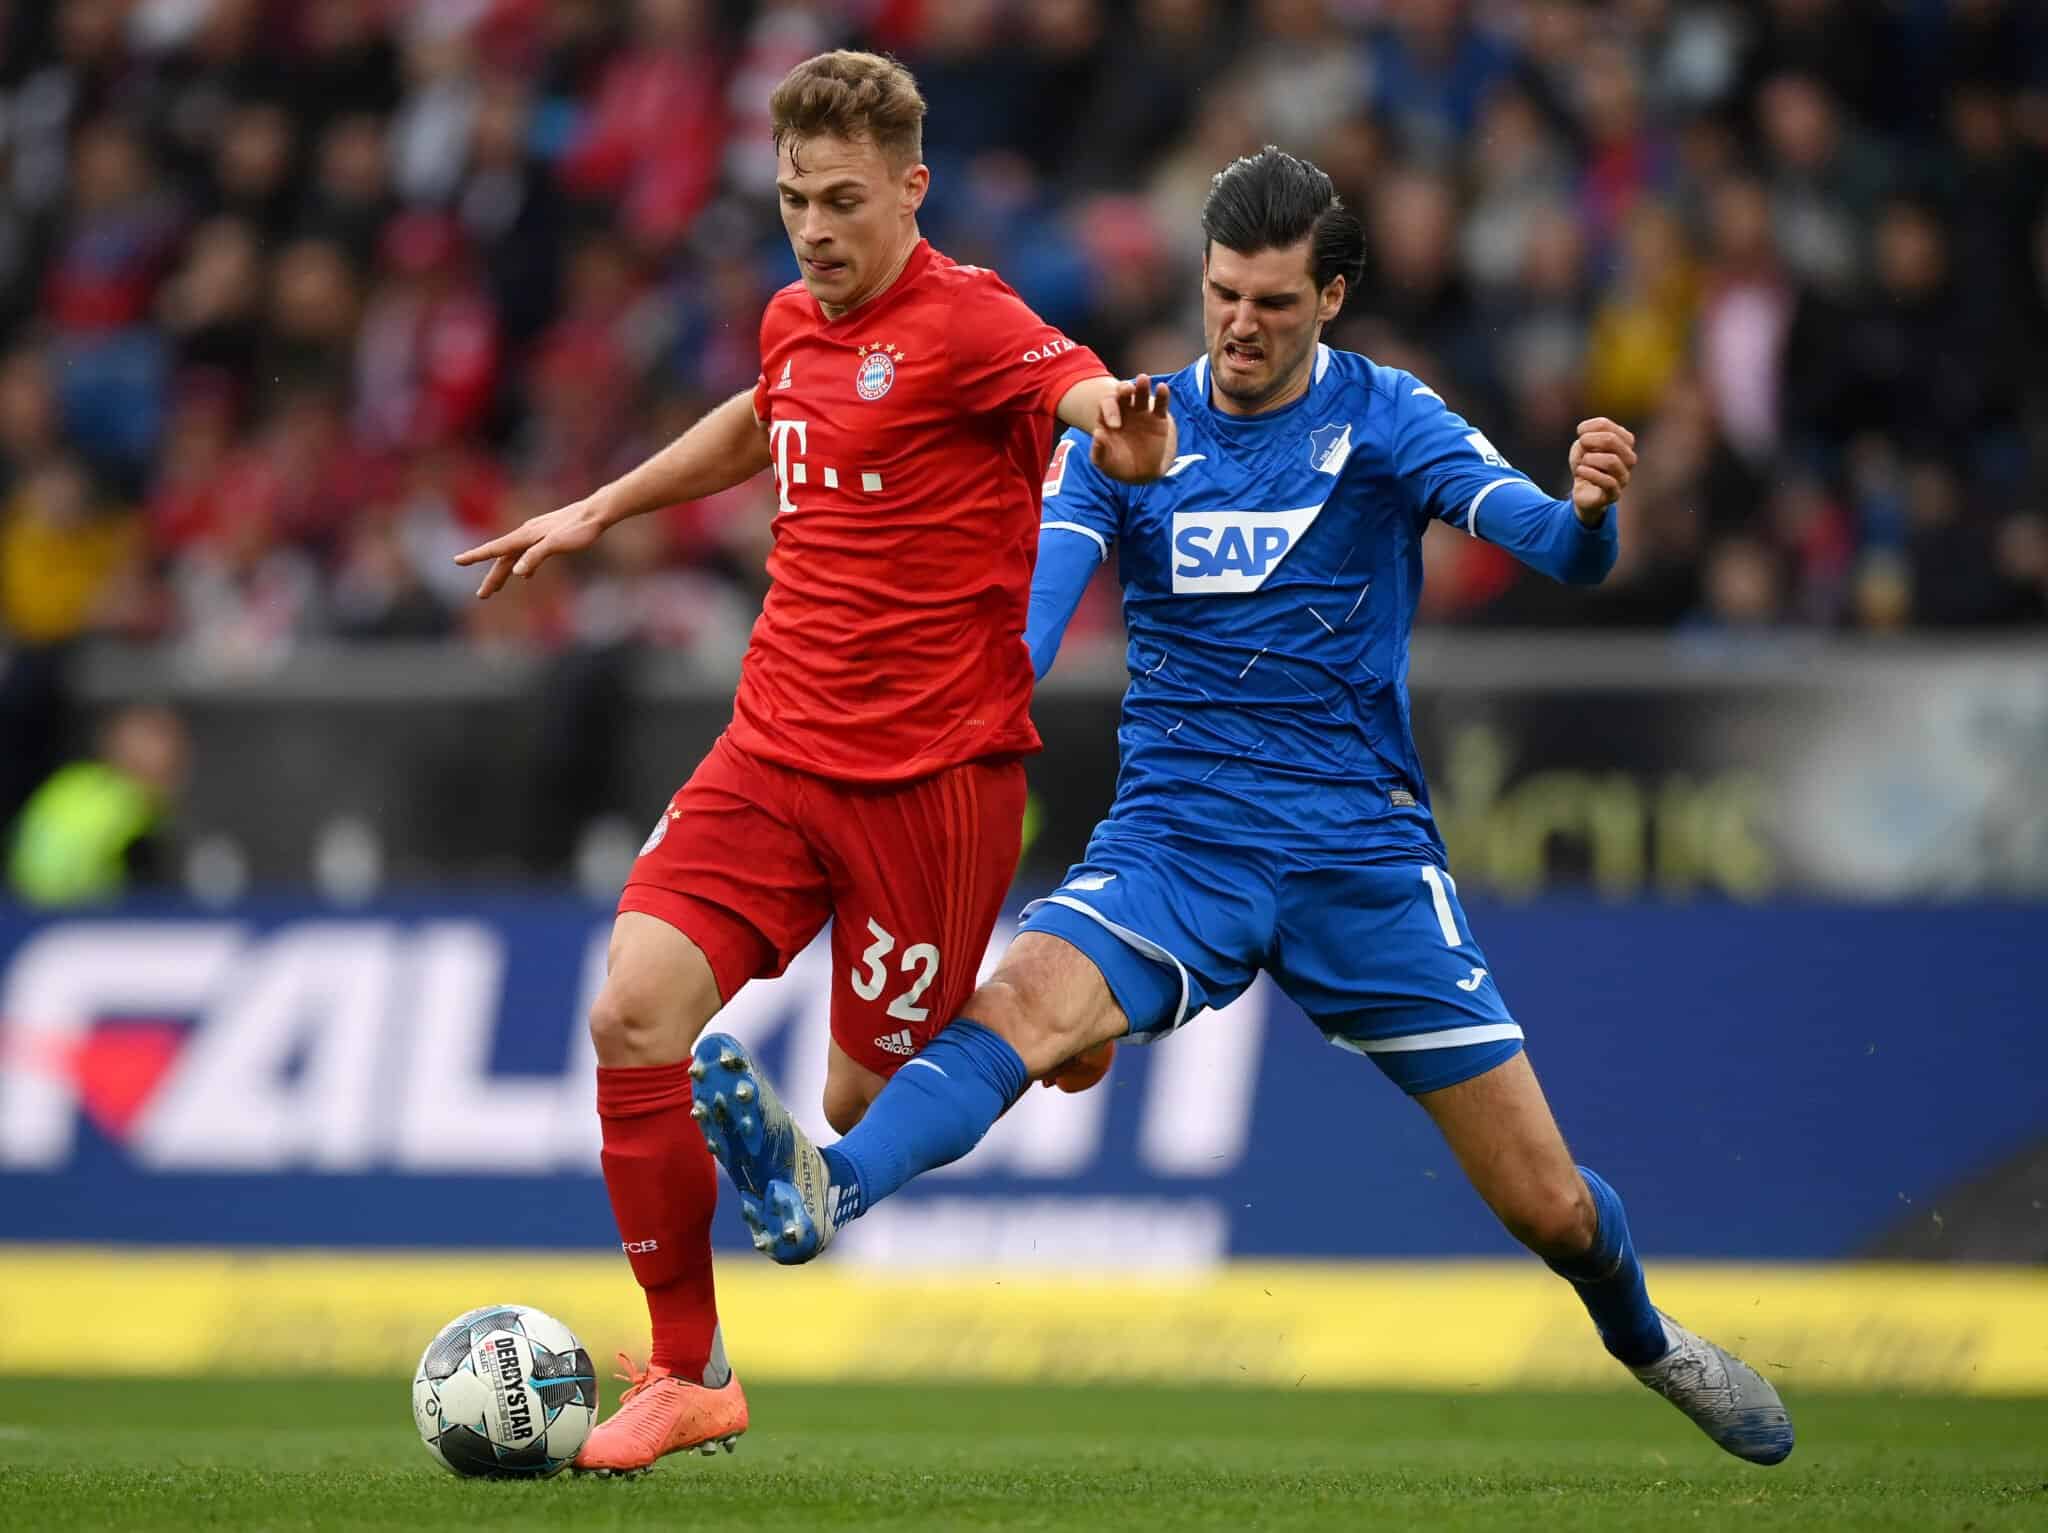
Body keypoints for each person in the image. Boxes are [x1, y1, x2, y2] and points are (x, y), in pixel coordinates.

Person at [691, 147, 1794, 1468]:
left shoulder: (1387, 419)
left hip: (1357, 855)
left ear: (1329, 297)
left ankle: (1648, 1340)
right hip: (1178, 841)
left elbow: (1553, 546)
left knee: (1547, 1206)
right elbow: (1026, 635)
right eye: (1222, 294)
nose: (1240, 324)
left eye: (1272, 302)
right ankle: (829, 1185)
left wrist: (1595, 513)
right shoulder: (1126, 435)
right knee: (1028, 1004)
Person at [452, 51, 1171, 1476]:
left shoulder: (971, 323)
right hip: (771, 752)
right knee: (632, 1012)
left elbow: (1082, 395)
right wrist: (600, 506)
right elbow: (765, 414)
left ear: (911, 189)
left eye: (843, 200)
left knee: (858, 1108)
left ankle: (1051, 1024)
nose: (815, 229)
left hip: (931, 786)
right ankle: (689, 1370)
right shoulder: (794, 318)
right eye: (794, 199)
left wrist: (1125, 435)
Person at [7, 703, 188, 906]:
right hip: (85, 912)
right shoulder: (130, 808)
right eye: (170, 748)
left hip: (28, 907)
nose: (180, 761)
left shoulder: (69, 782)